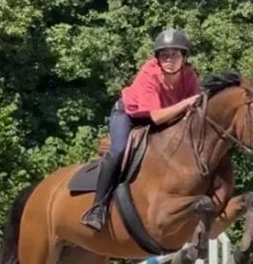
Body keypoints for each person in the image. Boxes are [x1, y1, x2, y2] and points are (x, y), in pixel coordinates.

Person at [82, 28, 202, 230]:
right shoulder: (150, 73)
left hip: (165, 117)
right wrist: (187, 103)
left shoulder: (189, 75)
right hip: (129, 116)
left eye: (175, 54)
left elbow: (195, 109)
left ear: (184, 57)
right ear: (157, 58)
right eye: (164, 55)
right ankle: (97, 208)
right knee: (119, 151)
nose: (169, 59)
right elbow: (154, 116)